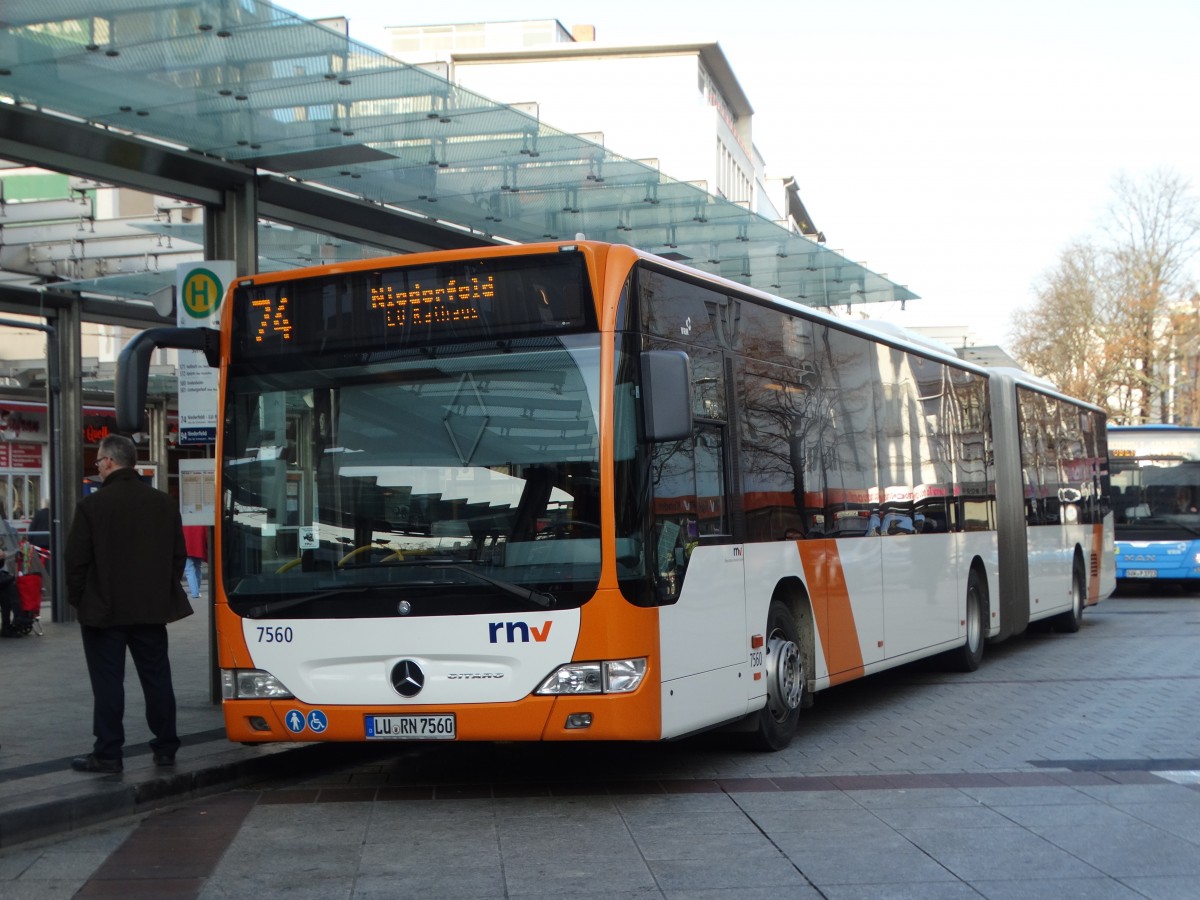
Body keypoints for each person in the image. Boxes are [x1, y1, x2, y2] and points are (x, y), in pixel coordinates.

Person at [65, 434, 193, 774]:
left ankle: (108, 753)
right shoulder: (163, 503)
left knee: (108, 683)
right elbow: (178, 555)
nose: (98, 468)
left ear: (108, 461)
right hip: (150, 610)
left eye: (98, 463)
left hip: (103, 611)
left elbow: (75, 561)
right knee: (157, 678)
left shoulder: (92, 506)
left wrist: (80, 600)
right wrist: (158, 590)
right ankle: (166, 747)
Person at [182, 525, 208, 600]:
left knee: (189, 570)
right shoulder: (200, 521)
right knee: (198, 568)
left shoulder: (184, 520)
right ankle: (197, 591)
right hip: (198, 546)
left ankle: (195, 593)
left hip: (186, 546)